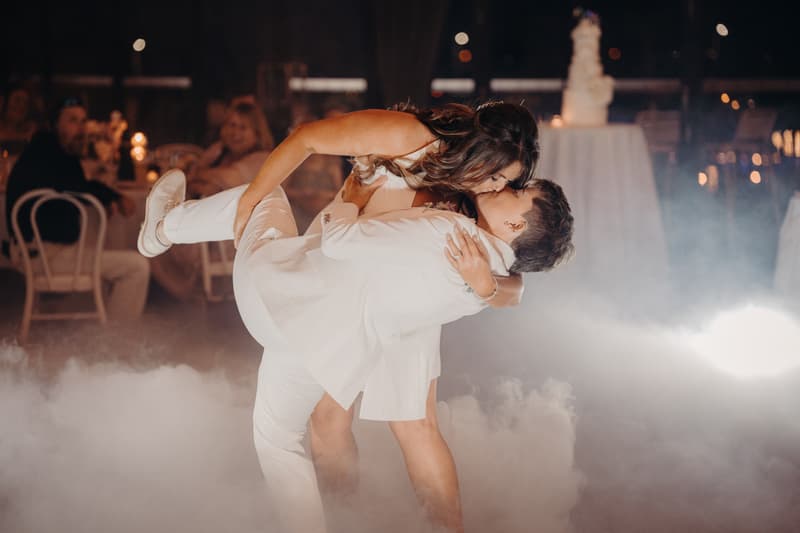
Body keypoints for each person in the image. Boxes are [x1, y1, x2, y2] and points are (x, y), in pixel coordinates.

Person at [137, 164, 573, 532]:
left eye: (515, 189)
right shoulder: (487, 271)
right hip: (329, 345)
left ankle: (161, 229)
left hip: (281, 301)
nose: (502, 187)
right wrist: (482, 287)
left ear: (516, 225)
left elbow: (340, 239)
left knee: (262, 198)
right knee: (280, 439)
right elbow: (507, 291)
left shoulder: (449, 230)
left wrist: (351, 192)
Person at [231, 101, 539, 527]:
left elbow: (516, 286)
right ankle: (348, 518)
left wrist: (484, 283)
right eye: (495, 174)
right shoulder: (407, 137)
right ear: (477, 147)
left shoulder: (482, 202)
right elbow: (306, 138)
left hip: (404, 308)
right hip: (339, 286)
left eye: (507, 182)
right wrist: (252, 195)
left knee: (414, 424)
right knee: (327, 418)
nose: (494, 188)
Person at [5, 97, 150, 320]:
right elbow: (76, 188)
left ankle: (99, 324)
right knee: (137, 267)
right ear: (55, 125)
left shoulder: (47, 149)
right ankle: (118, 343)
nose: (81, 128)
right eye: (72, 121)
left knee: (99, 239)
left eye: (83, 121)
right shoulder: (48, 152)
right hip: (42, 255)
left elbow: (74, 188)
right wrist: (111, 196)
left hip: (41, 250)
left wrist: (104, 197)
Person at [150, 100, 273, 300]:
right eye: (231, 125)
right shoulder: (222, 158)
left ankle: (193, 296)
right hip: (217, 234)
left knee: (162, 234)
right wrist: (207, 163)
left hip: (240, 240)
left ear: (257, 133)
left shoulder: (262, 158)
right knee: (158, 232)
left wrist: (200, 172)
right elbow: (196, 185)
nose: (235, 133)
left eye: (242, 127)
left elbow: (228, 178)